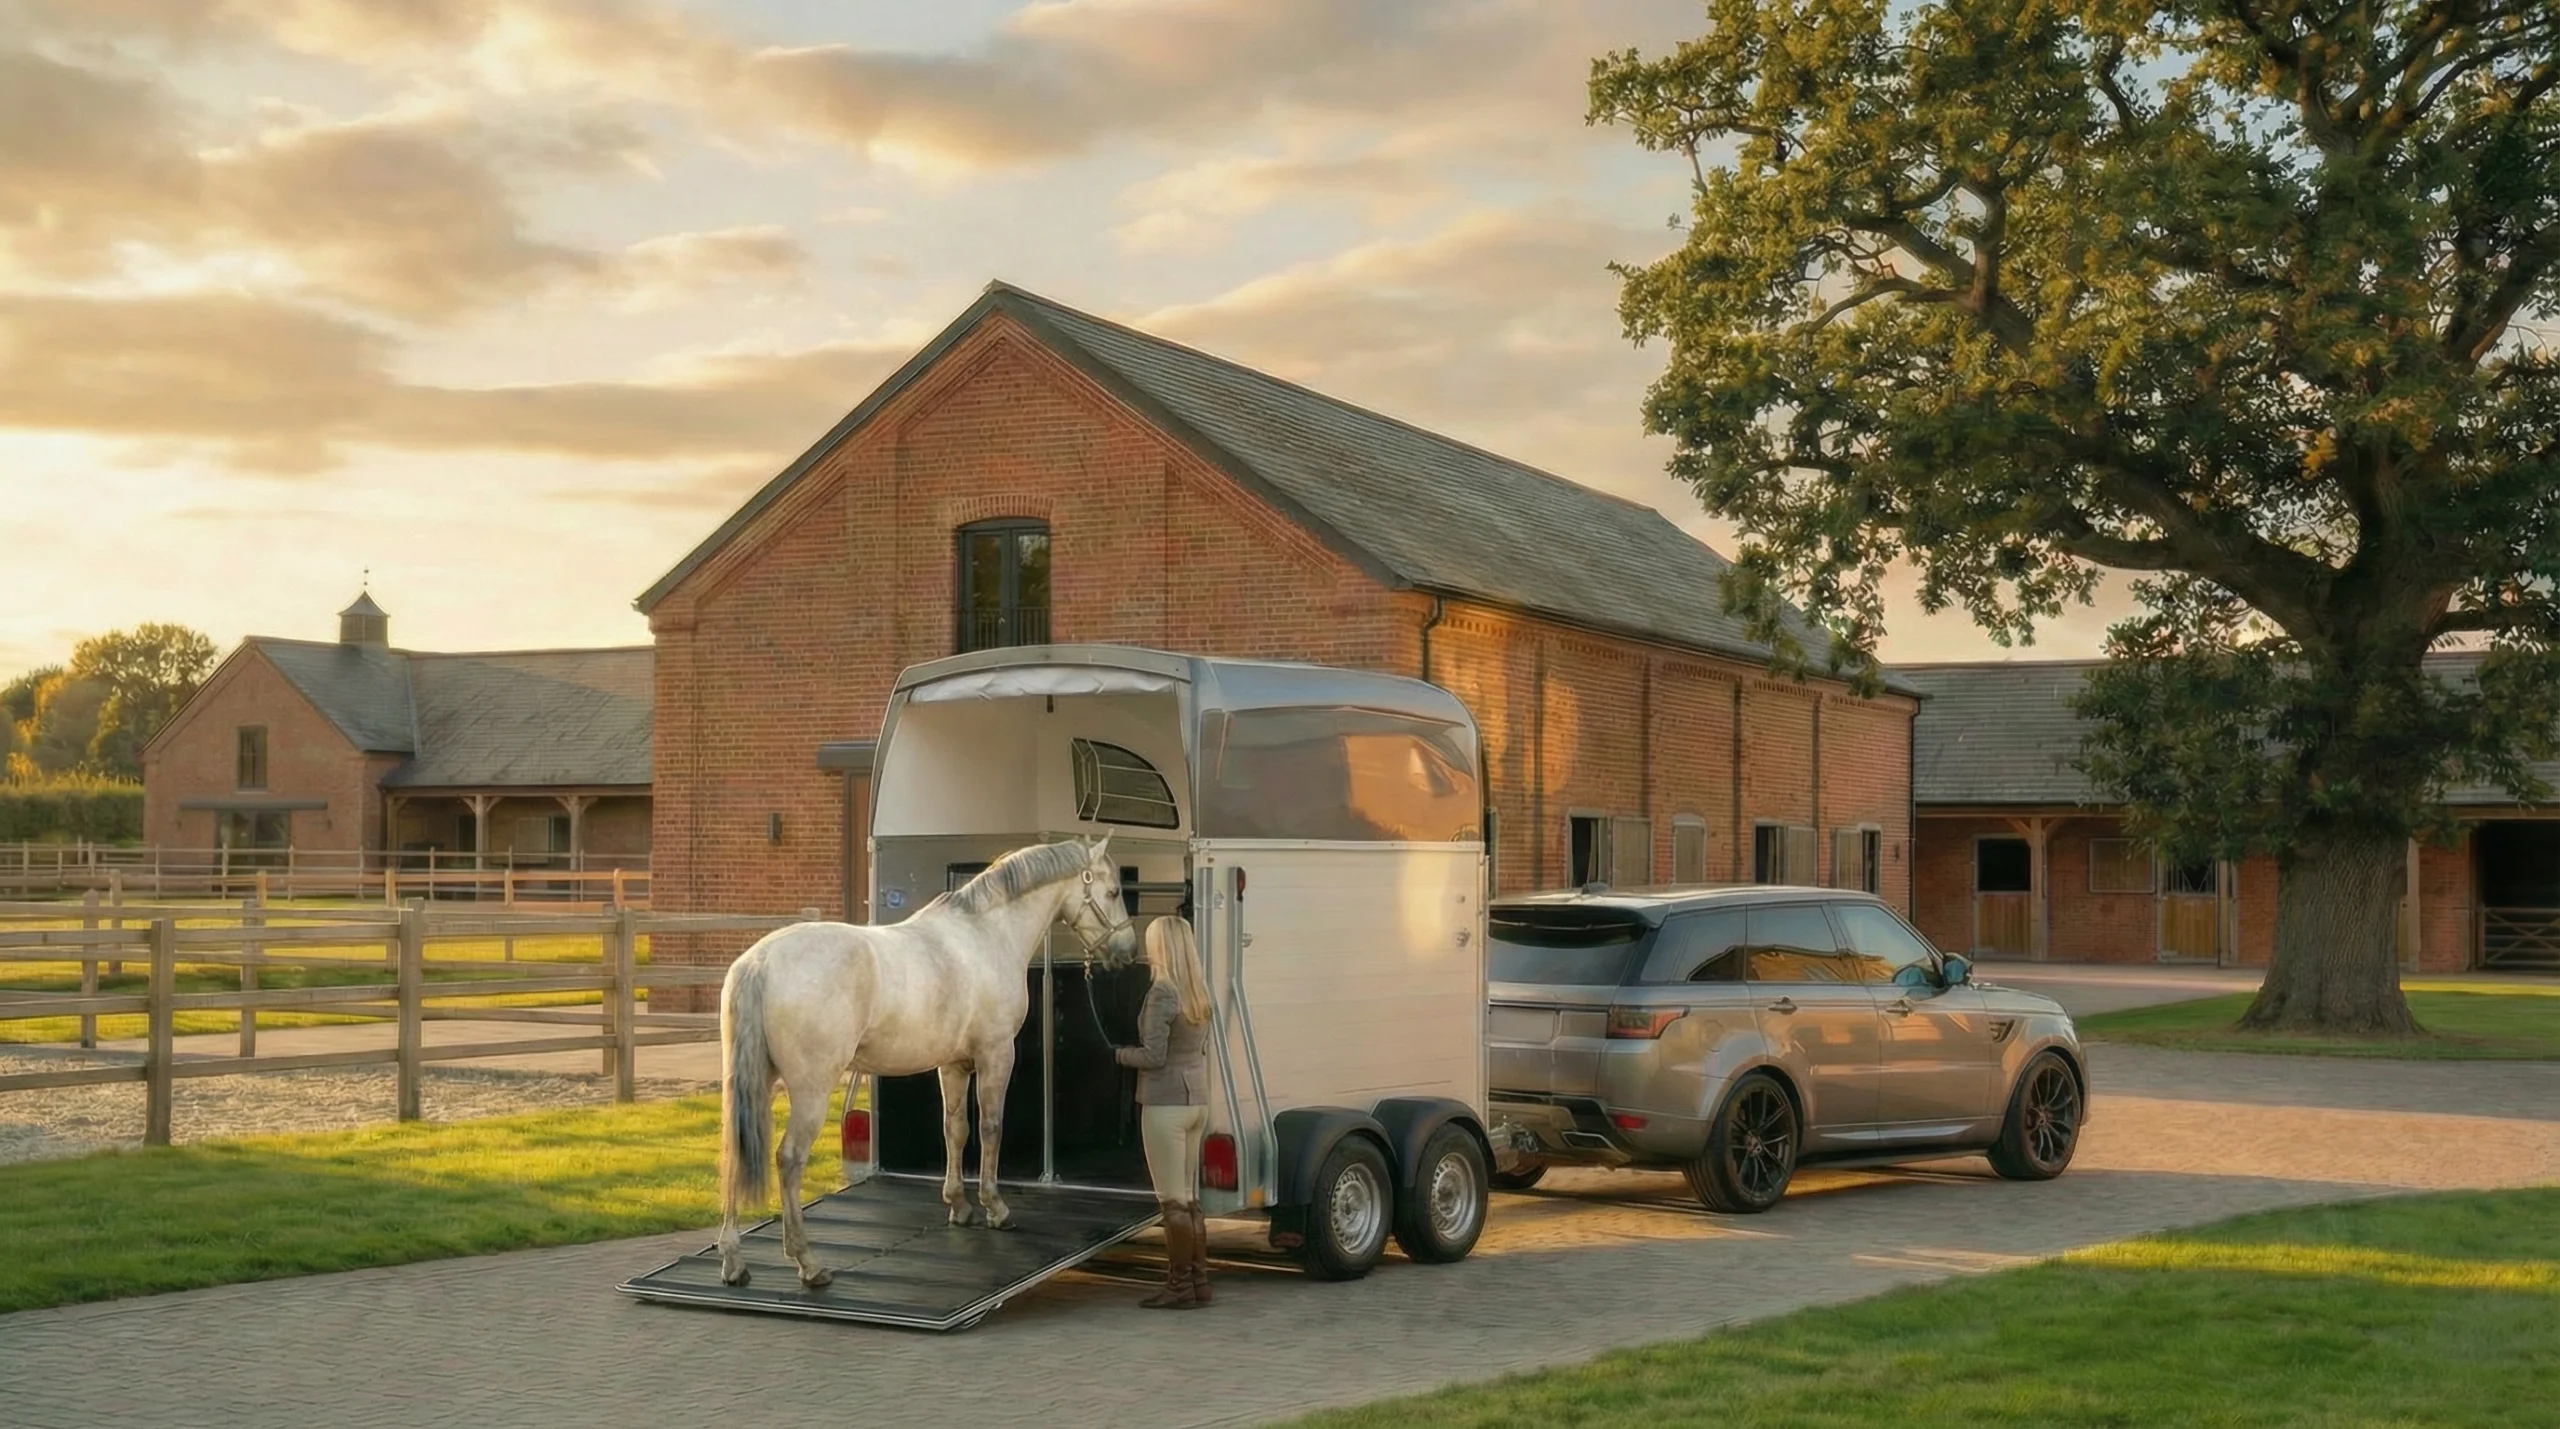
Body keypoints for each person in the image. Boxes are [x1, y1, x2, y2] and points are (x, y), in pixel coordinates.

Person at [1114, 915, 1213, 1309]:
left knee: (1171, 1201)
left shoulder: (1162, 993)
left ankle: (1178, 1287)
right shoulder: (1199, 991)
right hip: (1197, 1102)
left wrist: (1117, 1055)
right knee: (1189, 1198)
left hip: (1165, 1104)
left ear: (1161, 948)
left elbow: (1153, 1057)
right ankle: (1200, 1281)